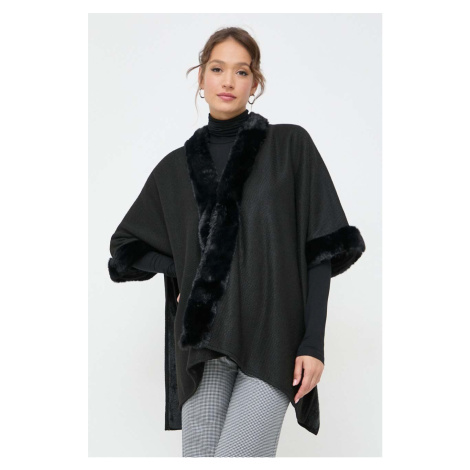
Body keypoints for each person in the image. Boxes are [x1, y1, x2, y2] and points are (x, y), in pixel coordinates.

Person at [108, 27, 366, 458]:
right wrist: (186, 272)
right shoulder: (174, 170)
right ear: (201, 78)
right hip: (203, 347)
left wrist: (313, 344)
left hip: (273, 337)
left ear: (255, 82)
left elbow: (321, 248)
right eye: (217, 69)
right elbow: (125, 247)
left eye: (241, 71)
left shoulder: (290, 146)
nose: (228, 81)